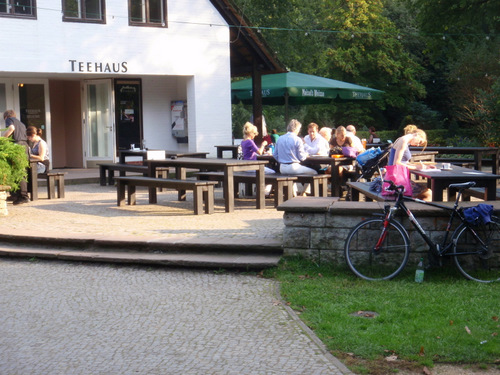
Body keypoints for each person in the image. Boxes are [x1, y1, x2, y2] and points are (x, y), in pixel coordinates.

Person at [388, 126, 432, 201]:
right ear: (417, 135)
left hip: (395, 178)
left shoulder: (404, 140)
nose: (418, 145)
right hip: (395, 181)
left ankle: (410, 210)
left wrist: (422, 166)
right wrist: (416, 168)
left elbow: (404, 162)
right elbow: (397, 164)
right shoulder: (403, 141)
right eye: (420, 142)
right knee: (428, 193)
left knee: (424, 193)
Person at [274, 119, 316, 195]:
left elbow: (275, 155)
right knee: (314, 172)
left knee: (291, 176)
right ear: (296, 129)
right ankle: (304, 192)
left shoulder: (280, 138)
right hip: (293, 167)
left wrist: (281, 160)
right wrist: (306, 155)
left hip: (282, 167)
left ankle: (293, 194)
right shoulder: (297, 139)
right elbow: (302, 158)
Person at [2, 110, 29, 205]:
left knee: (18, 172)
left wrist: (2, 139)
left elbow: (11, 128)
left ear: (6, 116)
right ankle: (16, 195)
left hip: (16, 146)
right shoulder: (21, 123)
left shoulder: (9, 119)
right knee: (20, 171)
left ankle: (23, 196)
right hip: (24, 146)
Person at [240, 122, 275, 196]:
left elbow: (250, 152)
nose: (255, 136)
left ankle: (259, 187)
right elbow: (259, 152)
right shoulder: (250, 141)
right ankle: (265, 191)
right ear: (251, 133)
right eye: (254, 134)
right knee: (272, 173)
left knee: (265, 172)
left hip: (246, 165)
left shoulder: (243, 141)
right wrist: (263, 145)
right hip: (252, 166)